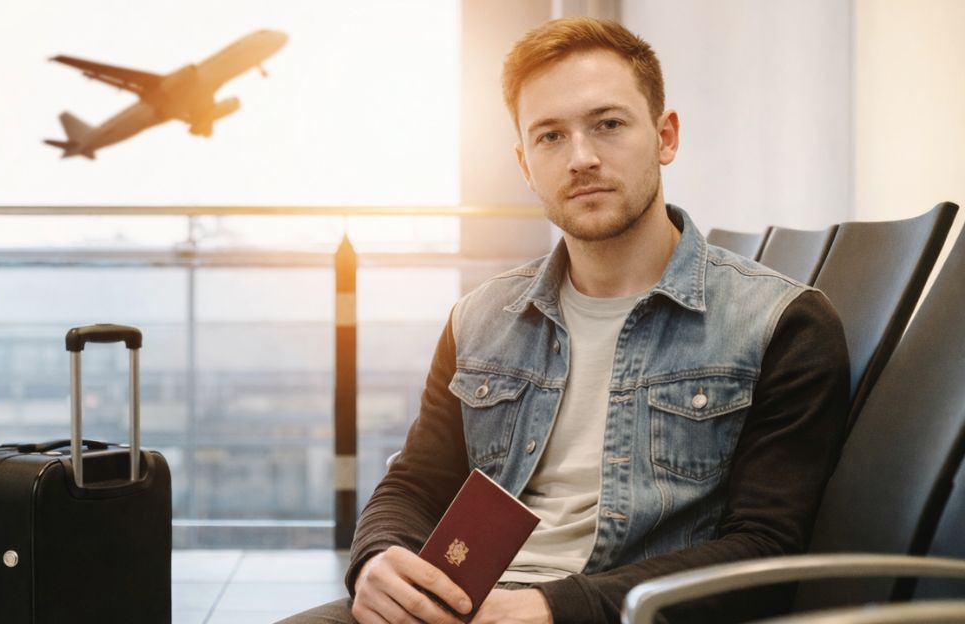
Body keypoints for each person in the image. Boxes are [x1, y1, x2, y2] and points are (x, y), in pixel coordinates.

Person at [283, 16, 848, 624]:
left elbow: (764, 552)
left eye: (607, 124)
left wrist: (555, 609)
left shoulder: (779, 323)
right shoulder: (479, 319)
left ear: (665, 136)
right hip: (459, 603)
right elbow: (416, 483)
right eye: (550, 137)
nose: (581, 158)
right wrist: (376, 558)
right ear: (526, 164)